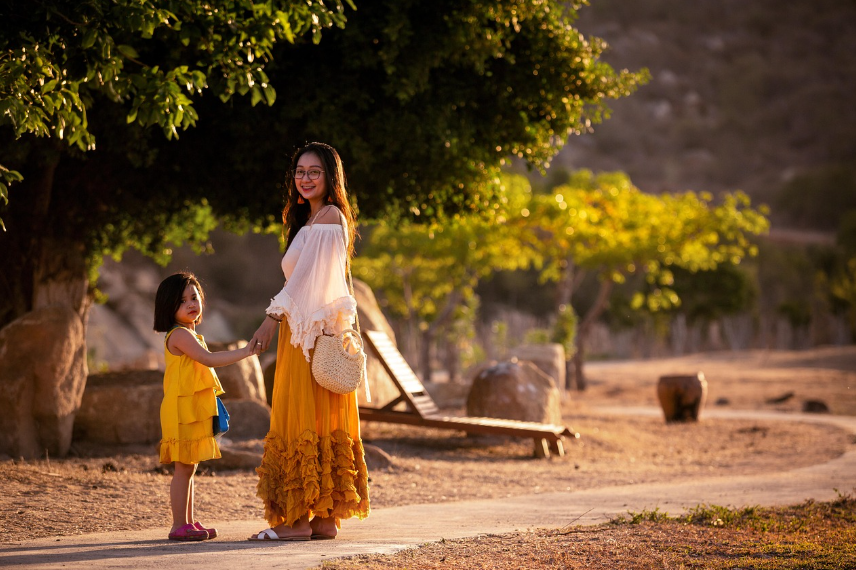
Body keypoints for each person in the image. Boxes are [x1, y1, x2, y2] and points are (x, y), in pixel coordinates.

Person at [248, 142, 370, 542]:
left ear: (330, 177)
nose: (305, 178)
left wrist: (270, 319)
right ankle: (322, 520)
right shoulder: (313, 218)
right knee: (315, 418)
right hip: (310, 333)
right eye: (300, 171)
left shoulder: (330, 216)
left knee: (299, 415)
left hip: (308, 338)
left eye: (314, 171)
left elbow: (301, 282)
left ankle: (297, 522)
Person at [153, 271, 260, 541]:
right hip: (180, 410)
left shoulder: (190, 334)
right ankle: (179, 525)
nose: (191, 304)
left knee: (190, 466)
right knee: (183, 467)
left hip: (189, 408)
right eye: (182, 301)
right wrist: (246, 351)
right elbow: (208, 360)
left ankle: (187, 521)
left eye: (194, 297)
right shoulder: (178, 335)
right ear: (169, 307)